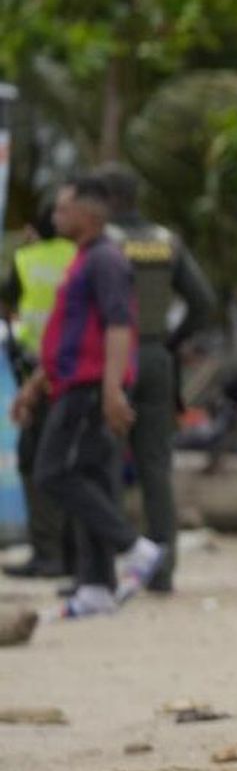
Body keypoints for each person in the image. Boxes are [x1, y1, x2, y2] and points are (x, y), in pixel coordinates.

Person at [10, 175, 166, 617]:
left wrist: (113, 389)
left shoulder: (106, 260)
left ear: (90, 213)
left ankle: (134, 547)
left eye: (64, 208)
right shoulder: (81, 259)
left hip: (90, 386)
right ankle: (96, 584)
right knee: (90, 478)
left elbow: (119, 325)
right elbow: (68, 334)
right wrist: (33, 386)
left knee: (53, 471)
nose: (56, 216)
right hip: (70, 382)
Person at [98, 165, 216, 593]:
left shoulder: (102, 242)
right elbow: (203, 302)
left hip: (114, 359)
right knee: (155, 467)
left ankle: (105, 570)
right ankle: (161, 570)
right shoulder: (166, 241)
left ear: (106, 199)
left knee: (105, 463)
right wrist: (170, 341)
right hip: (156, 357)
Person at [1, 202, 76, 581]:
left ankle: (49, 553)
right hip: (76, 371)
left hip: (40, 370)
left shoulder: (26, 259)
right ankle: (71, 553)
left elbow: (6, 299)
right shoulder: (79, 255)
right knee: (69, 461)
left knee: (36, 461)